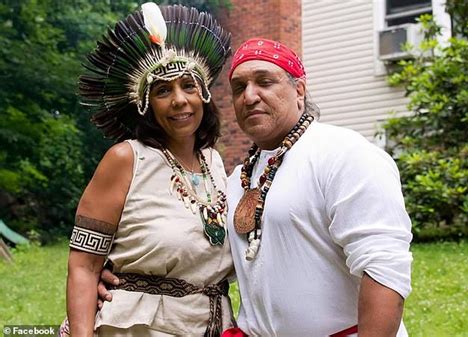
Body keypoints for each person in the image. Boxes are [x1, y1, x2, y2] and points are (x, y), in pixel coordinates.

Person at [99, 38, 413, 337]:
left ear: (299, 90)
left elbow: (384, 271)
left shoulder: (344, 154)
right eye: (239, 88)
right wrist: (125, 279)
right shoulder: (236, 180)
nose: (250, 96)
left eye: (264, 82)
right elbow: (205, 252)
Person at [61, 3, 235, 337]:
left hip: (212, 325)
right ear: (145, 105)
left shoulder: (214, 162)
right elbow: (83, 265)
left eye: (188, 85)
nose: (179, 100)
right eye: (162, 90)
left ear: (205, 94)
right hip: (140, 326)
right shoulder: (126, 158)